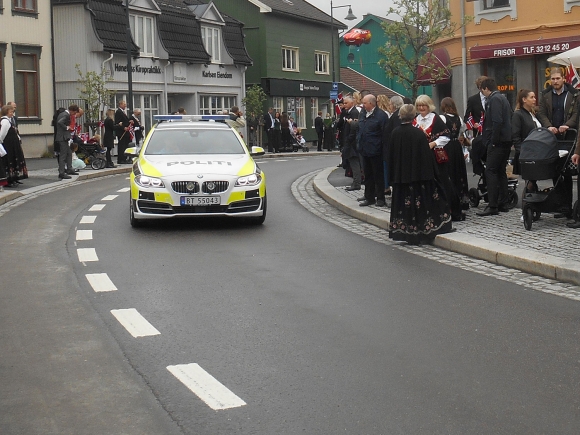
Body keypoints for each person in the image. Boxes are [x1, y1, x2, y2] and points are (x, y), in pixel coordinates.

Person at [388, 104, 453, 244]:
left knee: (404, 204)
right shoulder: (418, 134)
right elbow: (425, 157)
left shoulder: (395, 132)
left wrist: (393, 176)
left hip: (401, 176)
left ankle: (404, 231)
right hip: (418, 176)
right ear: (413, 116)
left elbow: (391, 156)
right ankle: (422, 230)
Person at [537, 66, 578, 219]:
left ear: (563, 79)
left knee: (566, 172)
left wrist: (568, 124)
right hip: (552, 137)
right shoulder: (545, 94)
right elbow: (541, 113)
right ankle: (560, 206)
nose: (555, 81)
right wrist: (549, 126)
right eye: (552, 79)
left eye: (557, 78)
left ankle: (568, 206)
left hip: (568, 136)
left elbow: (576, 113)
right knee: (556, 171)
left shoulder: (574, 94)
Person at [477, 77, 513, 217]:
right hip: (505, 140)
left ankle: (493, 205)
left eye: (482, 91)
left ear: (486, 88)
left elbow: (497, 121)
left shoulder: (494, 99)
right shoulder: (503, 98)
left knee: (490, 171)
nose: (483, 94)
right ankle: (503, 202)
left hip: (498, 142)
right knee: (500, 170)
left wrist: (493, 141)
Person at [357, 94, 388, 207]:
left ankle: (381, 198)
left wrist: (383, 150)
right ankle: (369, 197)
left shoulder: (381, 116)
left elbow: (385, 135)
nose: (363, 105)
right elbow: (360, 129)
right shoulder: (363, 114)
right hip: (364, 149)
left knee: (378, 176)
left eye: (364, 103)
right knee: (368, 175)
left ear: (371, 103)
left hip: (376, 151)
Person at [440, 97, 469, 214]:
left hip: (447, 146)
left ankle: (450, 200)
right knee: (458, 172)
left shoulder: (442, 118)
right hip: (456, 146)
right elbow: (461, 132)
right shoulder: (459, 118)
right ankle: (461, 199)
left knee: (449, 172)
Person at [512, 89, 541, 190]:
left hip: (536, 151)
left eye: (534, 97)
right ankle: (528, 203)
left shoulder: (533, 114)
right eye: (531, 97)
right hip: (526, 153)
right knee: (529, 181)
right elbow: (515, 136)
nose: (534, 99)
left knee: (533, 179)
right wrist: (522, 151)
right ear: (524, 99)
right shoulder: (518, 114)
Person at [382, 96, 405, 197]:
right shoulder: (396, 115)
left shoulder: (397, 116)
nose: (389, 106)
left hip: (394, 150)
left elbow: (395, 132)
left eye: (390, 104)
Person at [55, 104, 80, 180]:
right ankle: (61, 173)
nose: (74, 115)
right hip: (62, 137)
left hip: (63, 137)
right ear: (72, 110)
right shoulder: (65, 115)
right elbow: (60, 122)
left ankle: (69, 168)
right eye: (74, 113)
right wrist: (67, 127)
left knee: (69, 152)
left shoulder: (63, 114)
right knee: (63, 155)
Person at [342, 98, 361, 191]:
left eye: (346, 103)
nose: (344, 104)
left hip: (352, 144)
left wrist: (348, 140)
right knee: (352, 163)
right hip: (350, 142)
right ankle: (356, 182)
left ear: (352, 103)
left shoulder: (353, 113)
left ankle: (357, 182)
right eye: (344, 103)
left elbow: (354, 129)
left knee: (354, 163)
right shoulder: (348, 113)